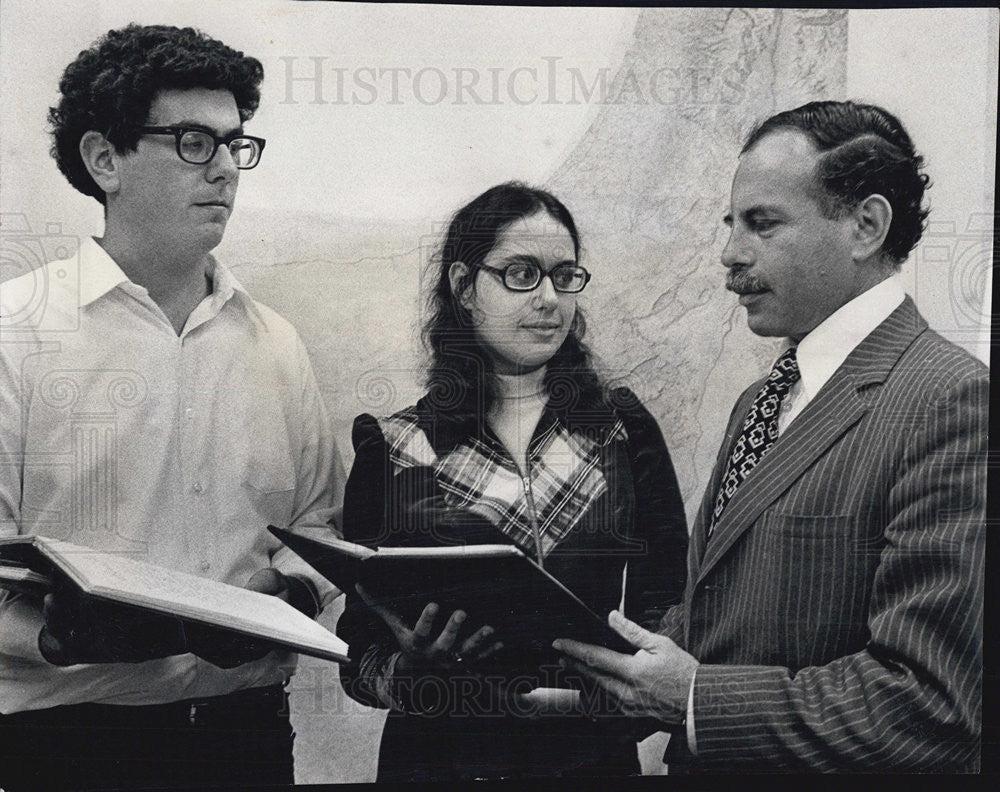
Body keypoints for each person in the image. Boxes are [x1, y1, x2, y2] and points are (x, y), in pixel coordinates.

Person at [555, 100, 986, 772]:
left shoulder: (951, 402)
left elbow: (930, 705)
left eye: (762, 224)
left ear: (866, 226)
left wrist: (696, 698)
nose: (730, 254)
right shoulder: (760, 401)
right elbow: (714, 624)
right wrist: (550, 668)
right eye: (733, 224)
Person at [0, 24, 345, 790]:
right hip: (66, 747)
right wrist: (56, 638)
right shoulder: (14, 337)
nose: (225, 169)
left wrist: (288, 595)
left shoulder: (276, 345)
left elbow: (317, 530)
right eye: (194, 141)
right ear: (103, 159)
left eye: (235, 144)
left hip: (247, 737)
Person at [335, 182, 689, 781]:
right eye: (521, 274)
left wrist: (617, 704)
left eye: (564, 275)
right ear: (465, 287)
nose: (549, 298)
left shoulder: (621, 430)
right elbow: (357, 657)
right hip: (437, 764)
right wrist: (411, 675)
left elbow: (671, 609)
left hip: (591, 763)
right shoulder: (394, 446)